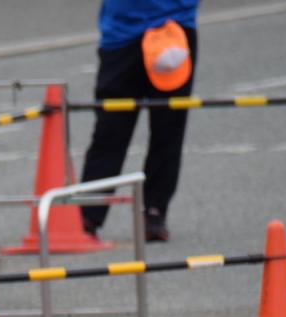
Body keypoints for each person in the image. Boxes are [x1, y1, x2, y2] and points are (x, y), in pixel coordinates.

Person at [80, 0, 199, 242]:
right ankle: (88, 214)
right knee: (109, 131)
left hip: (173, 28)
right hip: (121, 33)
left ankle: (155, 211)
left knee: (168, 129)